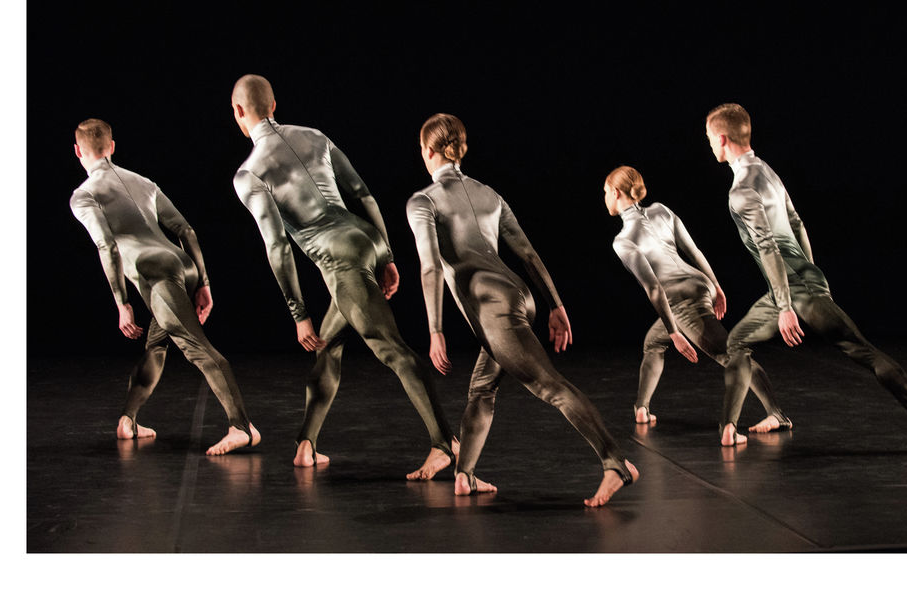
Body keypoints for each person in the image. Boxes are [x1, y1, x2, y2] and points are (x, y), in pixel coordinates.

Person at [406, 113, 638, 507]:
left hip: (493, 308)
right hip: (518, 295)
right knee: (482, 389)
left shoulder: (423, 201)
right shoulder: (489, 195)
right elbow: (528, 254)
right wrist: (555, 305)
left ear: (428, 151)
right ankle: (465, 476)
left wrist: (435, 330)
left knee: (550, 387)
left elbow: (430, 267)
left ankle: (616, 463)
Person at [230, 74, 456, 475]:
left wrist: (299, 314)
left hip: (341, 261)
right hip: (366, 238)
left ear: (238, 112)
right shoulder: (314, 136)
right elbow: (363, 194)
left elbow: (278, 246)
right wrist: (386, 254)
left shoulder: (249, 174)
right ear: (274, 106)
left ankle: (446, 444)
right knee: (329, 344)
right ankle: (306, 445)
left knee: (392, 350)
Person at [704, 103, 907, 454]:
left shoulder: (741, 190)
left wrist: (789, 304)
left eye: (710, 138)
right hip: (792, 285)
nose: (710, 145)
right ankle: (738, 425)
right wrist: (810, 274)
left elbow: (768, 246)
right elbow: (797, 223)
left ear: (723, 139)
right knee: (737, 342)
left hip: (791, 291)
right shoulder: (766, 171)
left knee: (859, 349)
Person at [70, 118, 259, 455]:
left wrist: (122, 304)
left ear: (77, 151)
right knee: (156, 344)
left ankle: (242, 427)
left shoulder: (84, 196)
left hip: (158, 277)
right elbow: (186, 230)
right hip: (182, 265)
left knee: (198, 348)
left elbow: (107, 246)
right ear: (111, 147)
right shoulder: (143, 182)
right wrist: (203, 282)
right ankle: (128, 421)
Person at [604, 165, 792, 438]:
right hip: (698, 285)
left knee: (732, 356)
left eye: (605, 192)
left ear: (616, 192)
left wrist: (675, 333)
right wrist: (715, 286)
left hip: (681, 301)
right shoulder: (661, 210)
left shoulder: (622, 241)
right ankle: (641, 408)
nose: (605, 198)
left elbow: (655, 289)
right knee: (653, 342)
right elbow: (694, 251)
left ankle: (777, 414)